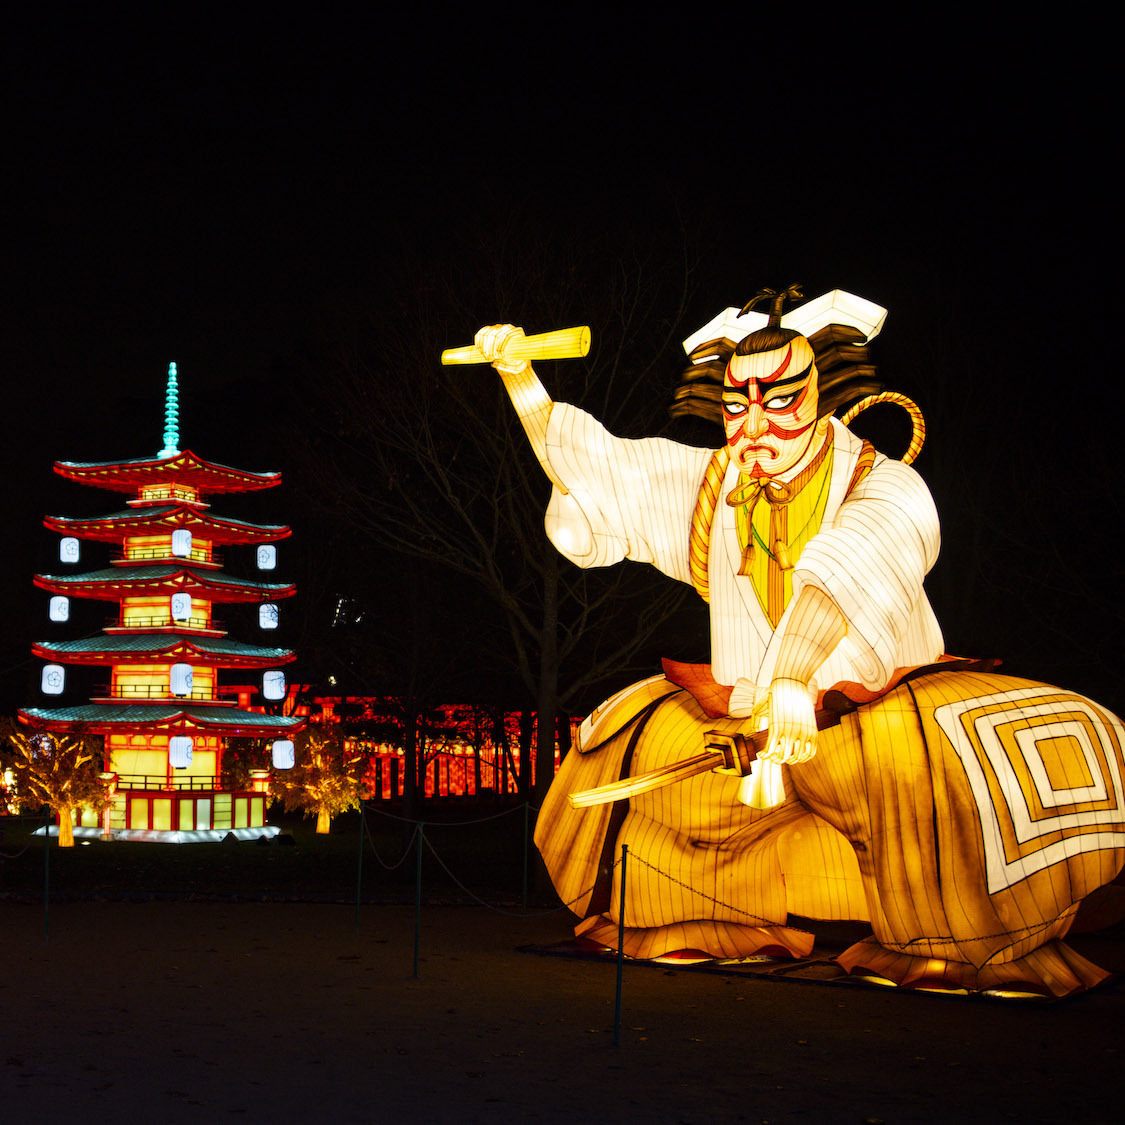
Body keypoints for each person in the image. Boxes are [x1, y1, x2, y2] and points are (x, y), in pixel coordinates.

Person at [471, 298, 1124, 994]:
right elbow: (597, 469)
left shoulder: (885, 484)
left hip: (872, 704)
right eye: (735, 405)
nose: (753, 425)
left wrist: (792, 678)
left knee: (912, 757)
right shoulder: (714, 484)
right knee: (646, 739)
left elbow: (849, 567)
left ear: (825, 394)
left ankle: (962, 938)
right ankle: (704, 915)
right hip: (746, 711)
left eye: (780, 400)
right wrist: (521, 379)